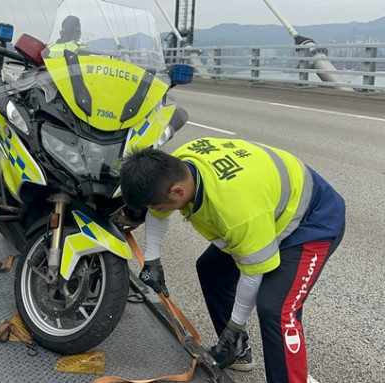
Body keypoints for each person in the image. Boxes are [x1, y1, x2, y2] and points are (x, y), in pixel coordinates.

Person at [119, 138, 345, 383]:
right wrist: (152, 260)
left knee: (276, 308)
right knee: (211, 270)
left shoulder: (235, 211)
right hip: (267, 211)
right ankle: (236, 351)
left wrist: (235, 326)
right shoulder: (178, 166)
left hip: (310, 219)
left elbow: (252, 273)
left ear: (178, 192)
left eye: (158, 205)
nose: (157, 210)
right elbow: (158, 212)